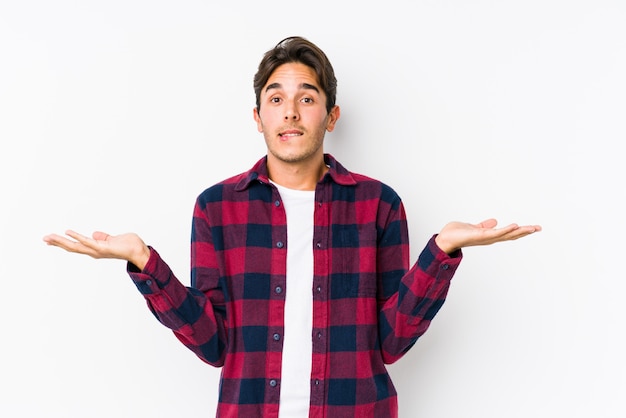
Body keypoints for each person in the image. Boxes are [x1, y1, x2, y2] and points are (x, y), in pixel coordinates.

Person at [43, 36, 541, 418]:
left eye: (307, 97)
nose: (291, 111)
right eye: (276, 97)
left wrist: (442, 251)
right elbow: (213, 345)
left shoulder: (377, 204)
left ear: (331, 115)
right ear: (258, 117)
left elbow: (389, 343)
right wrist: (144, 263)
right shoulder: (216, 208)